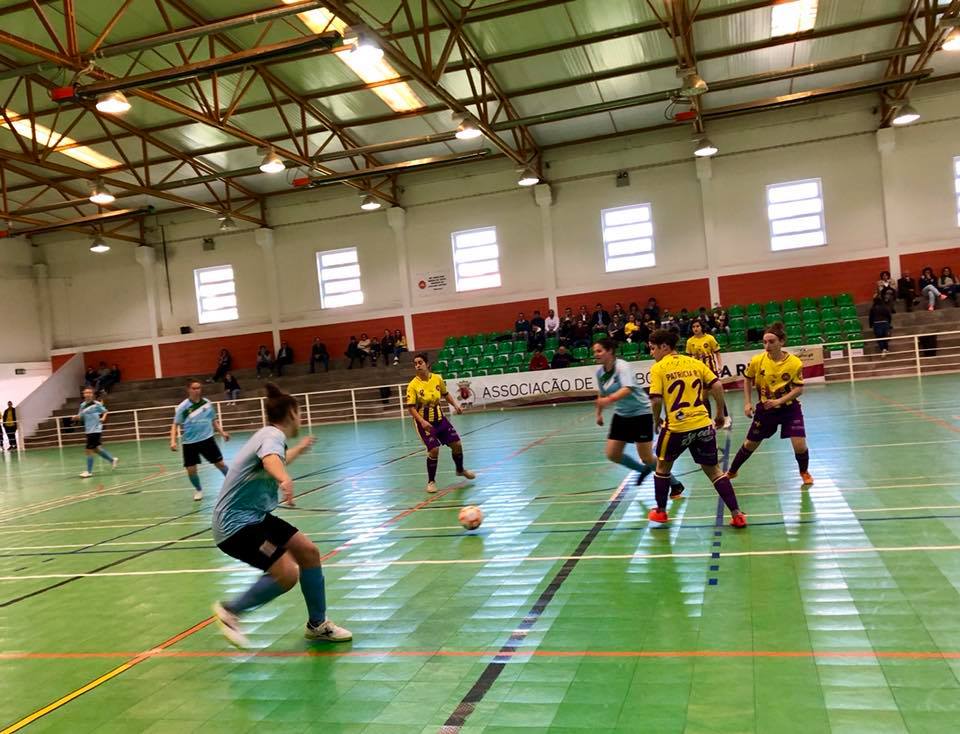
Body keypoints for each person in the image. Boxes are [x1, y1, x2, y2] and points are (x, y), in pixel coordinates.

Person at [211, 383, 351, 648]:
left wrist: (299, 449)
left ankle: (317, 624)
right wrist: (283, 478)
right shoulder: (272, 435)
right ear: (291, 414)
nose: (302, 418)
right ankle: (231, 611)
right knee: (286, 573)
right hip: (235, 526)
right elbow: (271, 461)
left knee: (308, 552)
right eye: (300, 413)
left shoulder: (269, 438)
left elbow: (277, 457)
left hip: (255, 517)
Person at [647, 330, 746, 527]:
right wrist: (719, 413)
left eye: (652, 348)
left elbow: (656, 399)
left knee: (662, 468)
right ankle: (737, 515)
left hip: (677, 427)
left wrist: (656, 420)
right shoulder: (695, 363)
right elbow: (717, 385)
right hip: (702, 424)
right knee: (714, 471)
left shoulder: (658, 368)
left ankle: (661, 512)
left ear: (664, 346)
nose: (651, 353)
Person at [725, 322, 813, 487]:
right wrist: (747, 402)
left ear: (782, 342)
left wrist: (779, 401)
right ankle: (732, 470)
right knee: (750, 444)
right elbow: (747, 379)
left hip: (789, 409)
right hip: (765, 410)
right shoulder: (757, 360)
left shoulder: (794, 363)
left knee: (800, 445)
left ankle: (804, 472)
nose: (767, 346)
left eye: (771, 342)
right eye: (765, 342)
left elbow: (799, 389)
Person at [593, 338, 685, 495]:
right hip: (621, 415)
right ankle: (643, 470)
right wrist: (599, 414)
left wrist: (609, 400)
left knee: (647, 457)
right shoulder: (600, 373)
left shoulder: (622, 366)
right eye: (594, 351)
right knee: (612, 454)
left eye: (599, 351)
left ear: (610, 351)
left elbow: (627, 389)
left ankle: (675, 484)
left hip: (641, 413)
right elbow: (601, 393)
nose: (596, 354)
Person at [406, 353, 475, 493]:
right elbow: (411, 407)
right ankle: (431, 482)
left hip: (440, 419)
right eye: (415, 363)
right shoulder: (413, 385)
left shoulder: (437, 378)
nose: (418, 365)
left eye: (420, 362)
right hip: (424, 423)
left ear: (427, 364)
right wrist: (422, 421)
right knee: (434, 450)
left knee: (457, 444)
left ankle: (460, 470)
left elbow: (445, 394)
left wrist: (455, 405)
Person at [170, 380, 230, 501]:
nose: (197, 390)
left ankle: (234, 484)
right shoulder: (183, 407)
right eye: (194, 388)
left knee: (220, 464)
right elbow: (175, 425)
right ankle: (198, 490)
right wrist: (173, 441)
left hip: (207, 439)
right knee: (191, 470)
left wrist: (222, 432)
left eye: (199, 388)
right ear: (188, 390)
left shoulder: (207, 403)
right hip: (189, 443)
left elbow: (213, 420)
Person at [686, 319, 731, 429]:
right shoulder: (690, 342)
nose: (695, 328)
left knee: (717, 395)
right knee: (704, 397)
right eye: (693, 327)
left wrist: (720, 366)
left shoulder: (710, 338)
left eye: (697, 326)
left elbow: (717, 353)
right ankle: (709, 420)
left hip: (711, 371)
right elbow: (689, 358)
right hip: (698, 373)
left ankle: (726, 417)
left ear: (702, 327)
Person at [74, 387, 118, 478]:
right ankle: (112, 460)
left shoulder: (96, 404)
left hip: (96, 429)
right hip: (88, 430)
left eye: (89, 392)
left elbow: (105, 411)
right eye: (86, 393)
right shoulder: (82, 405)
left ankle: (89, 472)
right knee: (97, 449)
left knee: (88, 450)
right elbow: (80, 416)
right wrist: (75, 417)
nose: (87, 394)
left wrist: (103, 418)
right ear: (83, 394)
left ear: (92, 394)